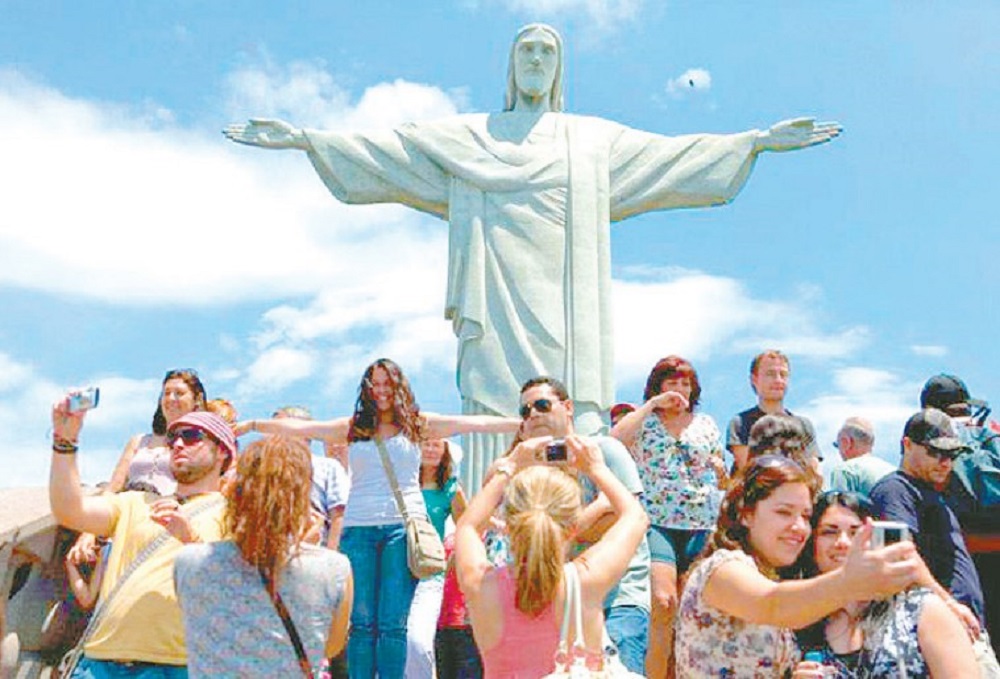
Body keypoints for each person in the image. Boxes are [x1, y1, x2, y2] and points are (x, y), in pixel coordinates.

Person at [224, 23, 841, 480]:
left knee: (572, 408)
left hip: (568, 302)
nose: (537, 60)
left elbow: (671, 157)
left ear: (560, 68)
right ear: (512, 66)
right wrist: (308, 139)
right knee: (494, 407)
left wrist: (753, 143)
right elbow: (391, 153)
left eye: (548, 52)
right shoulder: (472, 138)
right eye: (527, 51)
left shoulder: (589, 142)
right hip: (495, 296)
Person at [237, 358, 519, 679]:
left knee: (392, 624)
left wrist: (518, 424)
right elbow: (302, 428)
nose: (381, 391)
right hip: (358, 530)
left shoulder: (418, 424)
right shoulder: (354, 427)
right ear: (367, 388)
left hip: (402, 530)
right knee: (361, 623)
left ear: (399, 387)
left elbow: (473, 423)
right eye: (376, 384)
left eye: (388, 384)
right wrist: (253, 425)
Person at [674, 454, 922, 678]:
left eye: (805, 516)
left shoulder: (768, 578)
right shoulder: (723, 568)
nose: (799, 527)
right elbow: (773, 604)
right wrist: (851, 581)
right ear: (745, 514)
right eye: (784, 512)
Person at [49, 404, 233, 678]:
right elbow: (68, 510)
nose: (178, 444)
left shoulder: (234, 515)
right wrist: (65, 442)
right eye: (173, 438)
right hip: (98, 663)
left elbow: (232, 586)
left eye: (192, 436)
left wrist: (191, 540)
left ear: (222, 452)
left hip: (175, 665)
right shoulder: (135, 502)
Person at [455, 437, 649, 676]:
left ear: (509, 524)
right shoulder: (586, 581)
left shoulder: (482, 585)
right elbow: (635, 517)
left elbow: (467, 526)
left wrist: (509, 467)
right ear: (573, 527)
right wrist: (596, 468)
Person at [174, 434, 353, 677]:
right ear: (302, 496)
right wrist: (303, 545)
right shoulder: (333, 568)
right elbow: (331, 647)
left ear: (235, 491)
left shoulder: (188, 561)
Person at [513, 376, 651, 674]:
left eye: (542, 405)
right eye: (525, 411)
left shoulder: (605, 450)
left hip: (619, 599)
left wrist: (556, 530)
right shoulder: (530, 470)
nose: (533, 414)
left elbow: (625, 520)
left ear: (567, 407)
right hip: (560, 605)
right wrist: (598, 508)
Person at [610, 355, 725, 678]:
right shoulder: (644, 421)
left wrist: (721, 470)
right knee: (663, 603)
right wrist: (651, 406)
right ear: (658, 387)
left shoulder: (706, 423)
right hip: (658, 521)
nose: (679, 389)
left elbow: (723, 477)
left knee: (695, 610)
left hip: (701, 522)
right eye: (672, 383)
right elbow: (613, 441)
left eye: (685, 384)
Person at [870, 407, 1000, 675]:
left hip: (961, 629)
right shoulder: (895, 490)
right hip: (942, 632)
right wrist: (949, 605)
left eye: (951, 454)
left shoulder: (932, 493)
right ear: (907, 445)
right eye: (935, 452)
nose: (945, 462)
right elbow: (898, 555)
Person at [793, 490, 978, 678]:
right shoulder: (797, 620)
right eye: (829, 532)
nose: (843, 542)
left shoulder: (920, 610)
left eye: (856, 533)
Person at [406, 438, 469, 678]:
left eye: (436, 445)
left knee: (419, 642)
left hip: (429, 574)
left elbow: (468, 528)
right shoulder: (401, 484)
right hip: (394, 570)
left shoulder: (451, 488)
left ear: (445, 453)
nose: (431, 450)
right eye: (426, 444)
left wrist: (451, 561)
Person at [727, 350, 821, 471]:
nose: (778, 380)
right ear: (754, 380)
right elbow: (747, 471)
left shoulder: (804, 425)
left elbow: (814, 471)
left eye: (783, 374)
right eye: (770, 374)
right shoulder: (740, 423)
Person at [825, 417, 894, 498]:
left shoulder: (845, 471)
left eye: (837, 445)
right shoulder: (894, 471)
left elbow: (840, 505)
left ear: (846, 442)